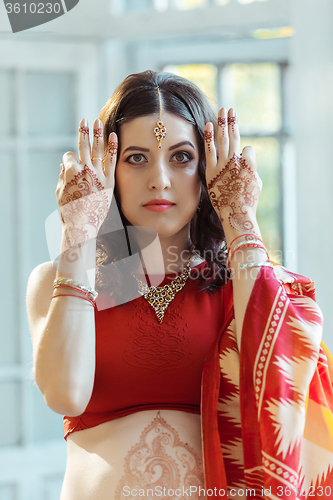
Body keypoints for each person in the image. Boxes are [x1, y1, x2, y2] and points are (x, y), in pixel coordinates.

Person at [26, 71, 333, 500]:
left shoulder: (240, 285)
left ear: (209, 169)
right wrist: (79, 230)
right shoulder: (57, 281)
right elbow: (66, 394)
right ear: (105, 169)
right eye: (136, 158)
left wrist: (240, 219)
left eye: (182, 157)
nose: (160, 180)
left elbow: (277, 385)